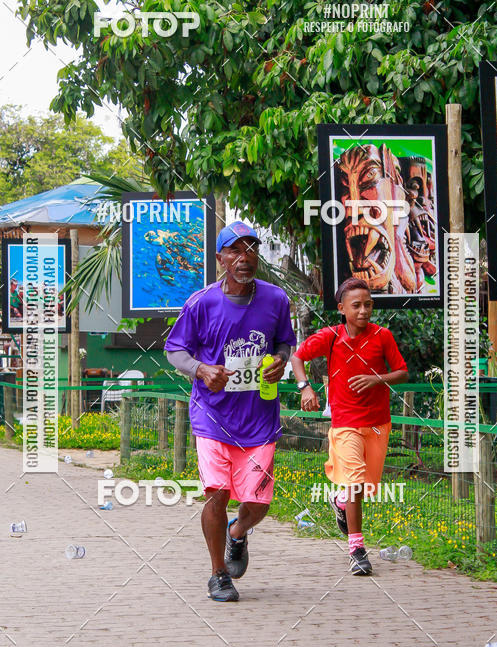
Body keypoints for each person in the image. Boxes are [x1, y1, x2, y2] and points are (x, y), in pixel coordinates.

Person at [165, 221, 297, 602]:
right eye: (235, 251)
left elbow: (284, 342)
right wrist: (202, 369)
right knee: (217, 494)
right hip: (213, 415)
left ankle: (237, 535)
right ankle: (218, 575)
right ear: (220, 258)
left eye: (251, 249)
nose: (245, 258)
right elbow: (175, 350)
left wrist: (281, 361)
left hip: (259, 417)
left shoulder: (275, 299)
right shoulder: (201, 302)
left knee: (257, 503)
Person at [291, 277, 408, 576]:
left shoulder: (383, 336)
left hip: (378, 421)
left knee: (366, 484)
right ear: (342, 308)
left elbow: (402, 372)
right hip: (345, 423)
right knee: (355, 481)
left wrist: (376, 379)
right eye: (356, 305)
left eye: (368, 304)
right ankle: (357, 549)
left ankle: (340, 501)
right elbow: (298, 356)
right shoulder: (330, 336)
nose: (364, 311)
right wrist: (306, 388)